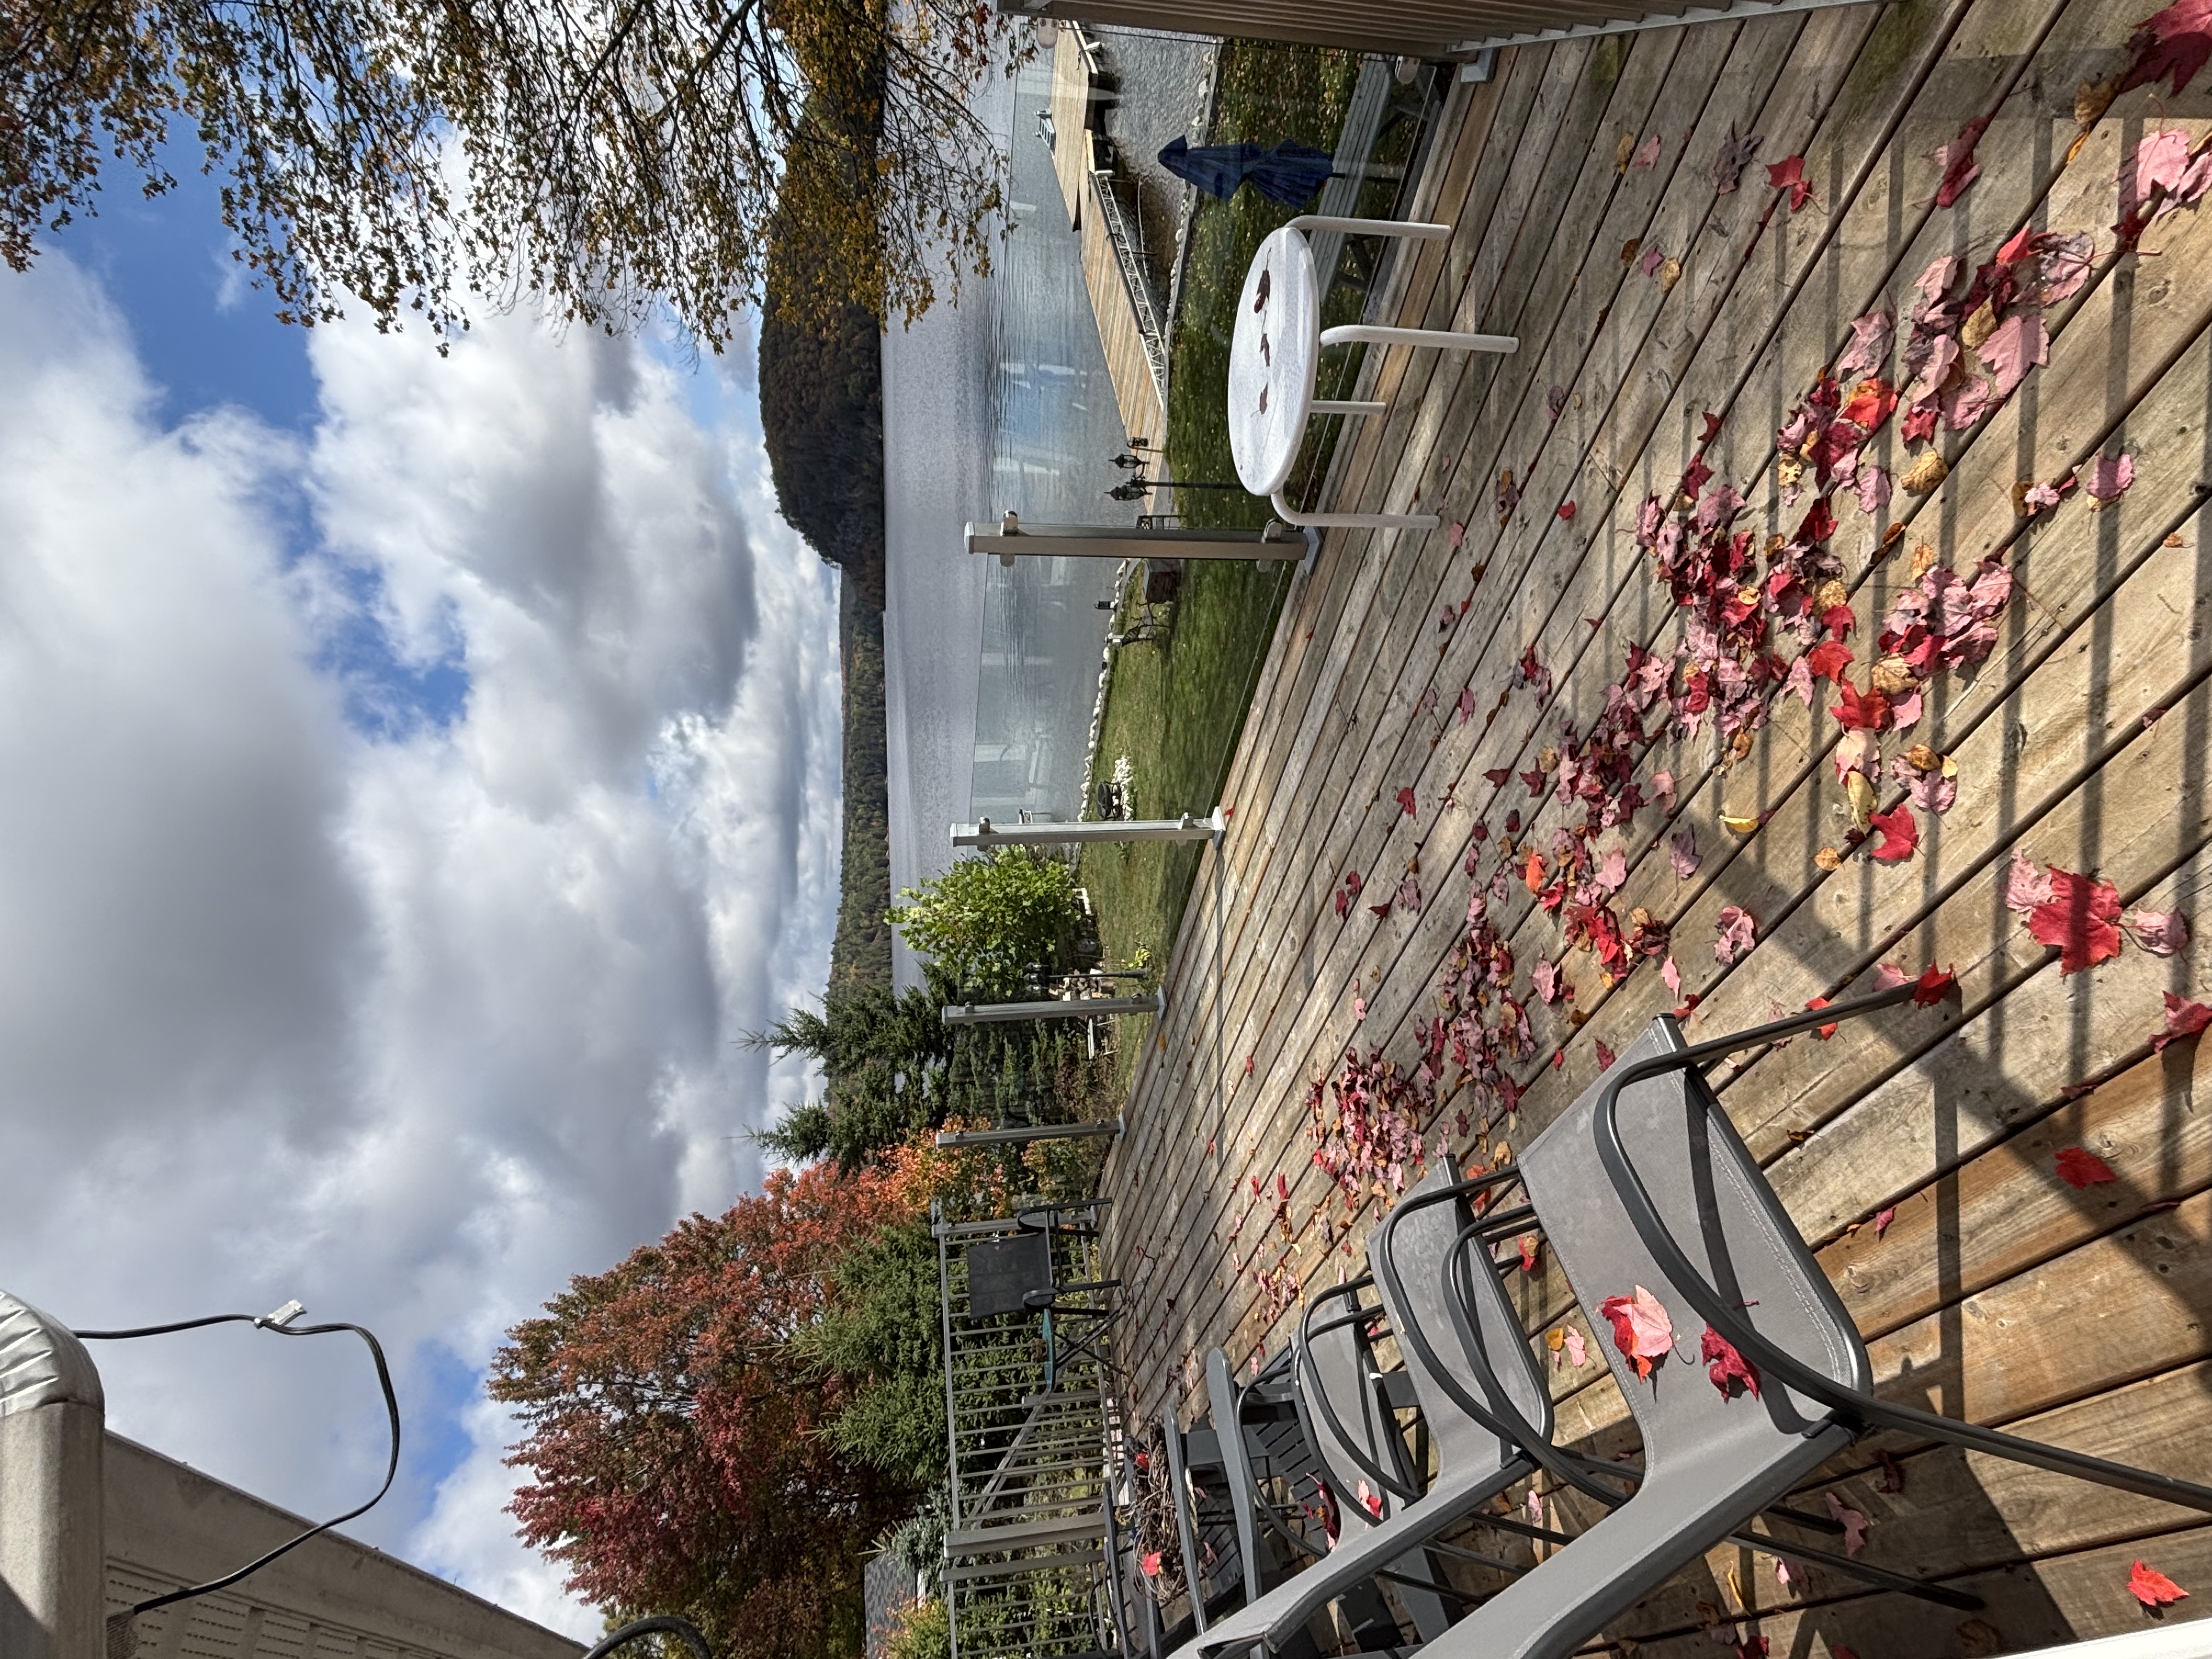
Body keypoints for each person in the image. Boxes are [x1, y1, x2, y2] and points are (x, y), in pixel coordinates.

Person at [1158, 136, 1336, 208]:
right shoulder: (1192, 167)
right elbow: (1220, 177)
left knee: (1284, 167)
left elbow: (1222, 158)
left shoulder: (1194, 158)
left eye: (1174, 160)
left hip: (1248, 165)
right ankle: (1315, 178)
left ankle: (1317, 174)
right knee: (1283, 174)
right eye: (1173, 164)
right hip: (1248, 170)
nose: (1177, 164)